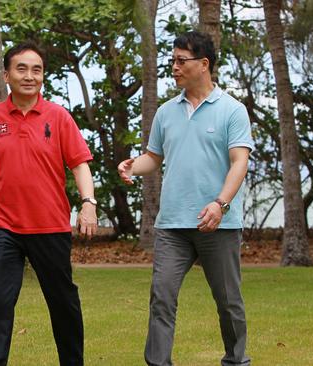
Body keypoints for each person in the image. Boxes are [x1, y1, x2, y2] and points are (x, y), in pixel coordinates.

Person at [118, 31, 254, 366]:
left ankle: (236, 361)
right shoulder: (166, 112)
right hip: (172, 225)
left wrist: (220, 203)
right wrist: (134, 166)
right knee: (161, 299)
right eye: (173, 61)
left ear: (204, 64)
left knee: (228, 303)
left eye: (182, 61)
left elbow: (240, 162)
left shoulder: (232, 111)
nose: (174, 67)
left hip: (217, 224)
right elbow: (155, 157)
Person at [0, 41, 98, 366]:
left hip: (50, 226)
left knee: (63, 302)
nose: (30, 76)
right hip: (1, 229)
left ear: (43, 76)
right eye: (21, 69)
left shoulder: (58, 116)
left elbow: (80, 164)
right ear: (7, 75)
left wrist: (88, 202)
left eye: (36, 69)